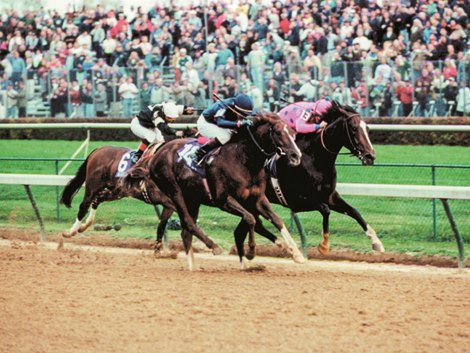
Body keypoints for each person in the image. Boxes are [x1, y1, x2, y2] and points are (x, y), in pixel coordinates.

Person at [190, 93, 254, 164]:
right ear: (235, 109)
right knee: (225, 137)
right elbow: (220, 122)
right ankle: (198, 153)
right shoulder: (223, 106)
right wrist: (239, 124)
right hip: (206, 123)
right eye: (242, 114)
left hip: (217, 123)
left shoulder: (238, 106)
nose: (243, 117)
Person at [130, 102, 194, 162]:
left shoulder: (172, 108)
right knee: (153, 138)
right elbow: (163, 128)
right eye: (169, 118)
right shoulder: (157, 114)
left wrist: (189, 110)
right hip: (138, 124)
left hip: (151, 124)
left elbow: (184, 109)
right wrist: (175, 132)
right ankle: (138, 155)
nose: (171, 121)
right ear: (164, 114)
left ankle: (156, 155)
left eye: (173, 119)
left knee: (161, 140)